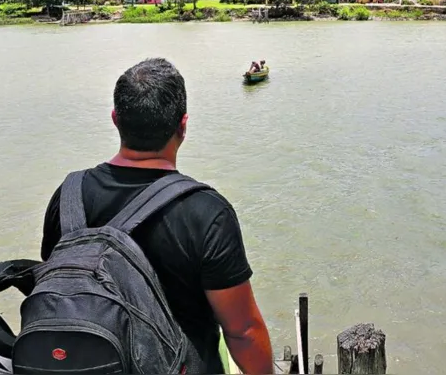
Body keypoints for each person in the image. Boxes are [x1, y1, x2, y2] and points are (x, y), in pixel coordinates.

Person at [40, 57, 274, 375]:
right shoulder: (206, 213)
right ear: (183, 125)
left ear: (115, 119)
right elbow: (243, 331)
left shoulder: (67, 197)